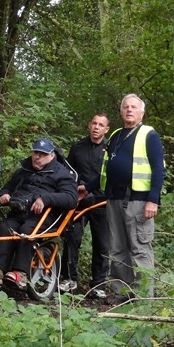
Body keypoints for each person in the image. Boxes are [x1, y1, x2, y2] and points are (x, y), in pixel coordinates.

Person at [80, 94, 165, 302]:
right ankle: (122, 294)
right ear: (121, 112)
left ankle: (144, 299)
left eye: (134, 107)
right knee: (117, 249)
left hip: (138, 201)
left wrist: (153, 200)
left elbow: (158, 170)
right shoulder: (117, 135)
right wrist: (87, 188)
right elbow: (106, 170)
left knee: (140, 248)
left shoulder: (149, 135)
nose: (129, 110)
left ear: (142, 112)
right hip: (113, 199)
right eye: (126, 107)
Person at [0, 138, 78, 289]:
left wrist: (45, 199)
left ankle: (21, 273)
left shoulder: (61, 174)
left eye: (42, 154)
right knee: (6, 227)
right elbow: (8, 187)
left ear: (51, 155)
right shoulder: (24, 170)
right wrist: (4, 194)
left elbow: (71, 198)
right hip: (19, 212)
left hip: (44, 216)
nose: (37, 157)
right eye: (35, 153)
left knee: (26, 232)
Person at [59, 114, 110, 298]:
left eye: (101, 125)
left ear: (106, 129)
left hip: (102, 201)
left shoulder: (111, 148)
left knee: (102, 243)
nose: (97, 127)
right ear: (89, 125)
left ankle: (99, 284)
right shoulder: (78, 147)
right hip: (79, 201)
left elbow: (112, 174)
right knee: (73, 238)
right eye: (94, 123)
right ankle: (68, 279)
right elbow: (68, 173)